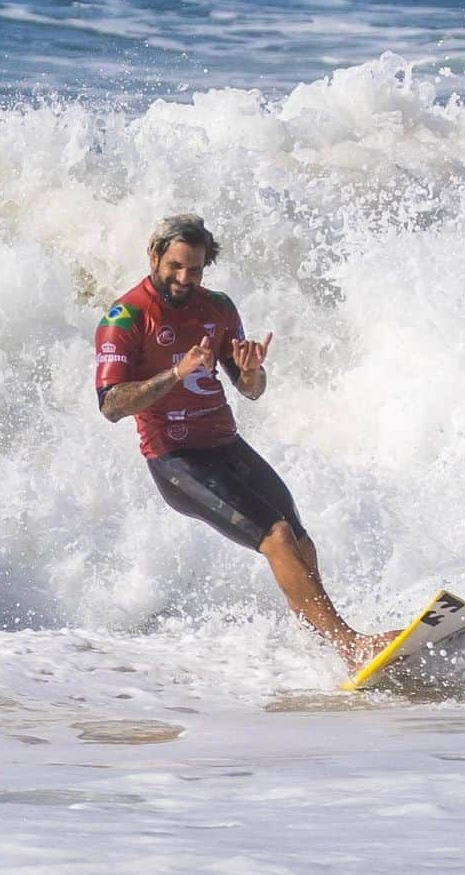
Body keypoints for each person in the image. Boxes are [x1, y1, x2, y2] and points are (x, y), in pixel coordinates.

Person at [94, 213, 399, 672]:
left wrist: (252, 372)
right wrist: (175, 374)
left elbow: (249, 389)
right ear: (154, 256)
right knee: (274, 536)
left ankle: (321, 651)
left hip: (225, 445)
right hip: (175, 460)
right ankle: (349, 647)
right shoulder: (126, 317)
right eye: (175, 266)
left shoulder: (216, 307)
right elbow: (112, 405)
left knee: (298, 539)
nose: (183, 278)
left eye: (194, 270)